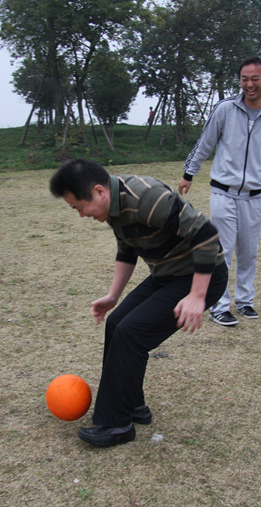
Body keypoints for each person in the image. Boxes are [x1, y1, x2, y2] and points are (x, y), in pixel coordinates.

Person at [50, 159, 228, 447]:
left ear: (99, 192)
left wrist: (197, 295)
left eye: (79, 208)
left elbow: (206, 234)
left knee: (131, 333)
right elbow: (127, 249)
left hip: (201, 275)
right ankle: (132, 406)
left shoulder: (148, 197)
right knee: (116, 323)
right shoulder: (114, 205)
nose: (81, 215)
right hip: (168, 274)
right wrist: (113, 296)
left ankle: (116, 424)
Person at [180, 56, 261, 326]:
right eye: (244, 79)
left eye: (255, 78)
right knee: (223, 251)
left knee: (249, 251)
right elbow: (205, 142)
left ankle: (245, 301)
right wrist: (188, 174)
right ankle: (219, 305)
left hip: (254, 195)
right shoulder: (225, 109)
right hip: (223, 192)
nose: (249, 84)